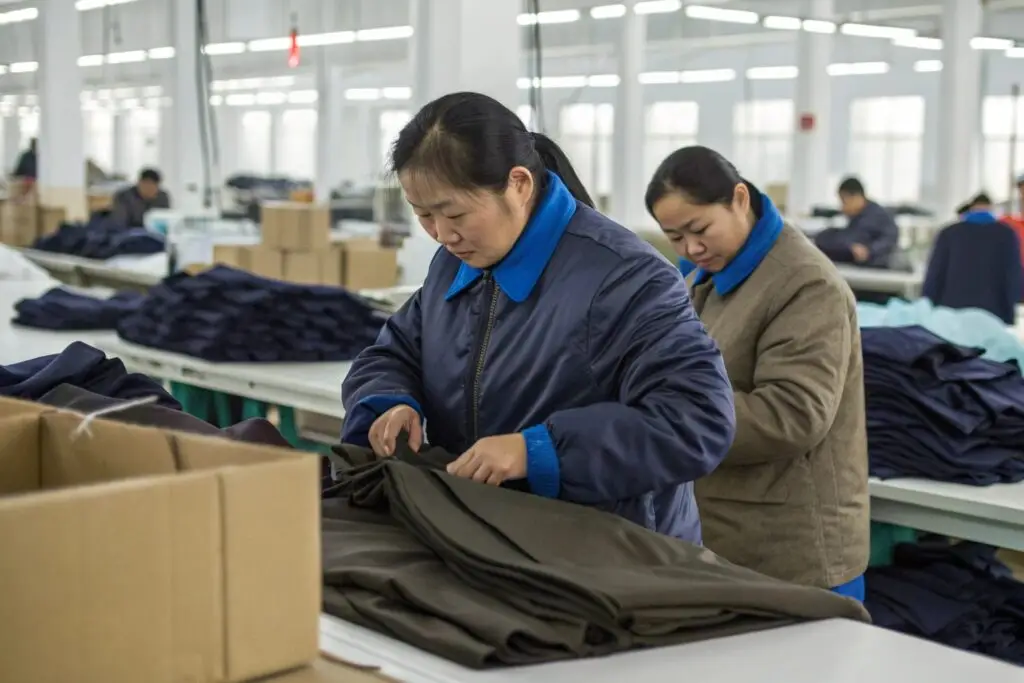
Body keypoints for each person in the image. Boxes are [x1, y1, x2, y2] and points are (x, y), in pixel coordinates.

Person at [340, 92, 735, 543]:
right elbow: (395, 351)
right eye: (423, 215)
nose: (442, 234)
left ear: (519, 184)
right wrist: (390, 401)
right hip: (486, 534)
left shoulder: (624, 278)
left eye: (454, 213)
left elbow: (696, 419)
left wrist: (538, 451)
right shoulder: (456, 263)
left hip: (611, 555)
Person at [646, 145, 870, 599]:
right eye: (674, 237)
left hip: (794, 553)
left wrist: (666, 420)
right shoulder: (702, 279)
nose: (691, 247)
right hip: (728, 537)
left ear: (740, 199)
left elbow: (793, 413)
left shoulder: (805, 283)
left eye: (699, 229)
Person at [923, 192, 1022, 324]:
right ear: (991, 208)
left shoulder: (949, 233)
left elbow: (935, 274)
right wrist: (1011, 310)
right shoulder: (1007, 234)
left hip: (952, 311)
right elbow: (1014, 275)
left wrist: (928, 306)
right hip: (994, 313)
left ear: (971, 207)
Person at [814, 176, 899, 269]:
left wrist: (869, 251)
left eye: (844, 201)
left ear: (856, 197)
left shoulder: (876, 217)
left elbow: (889, 239)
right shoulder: (855, 218)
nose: (842, 207)